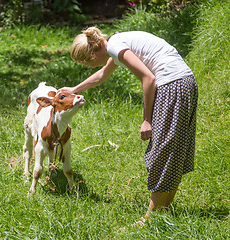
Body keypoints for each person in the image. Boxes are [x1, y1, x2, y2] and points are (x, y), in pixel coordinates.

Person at [58, 27, 198, 226]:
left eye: (87, 63)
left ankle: (150, 219)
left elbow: (148, 78)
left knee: (161, 152)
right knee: (174, 149)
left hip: (171, 86)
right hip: (186, 82)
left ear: (91, 54)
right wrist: (75, 89)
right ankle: (163, 210)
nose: (90, 67)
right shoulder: (117, 42)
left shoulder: (115, 47)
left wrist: (146, 120)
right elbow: (102, 75)